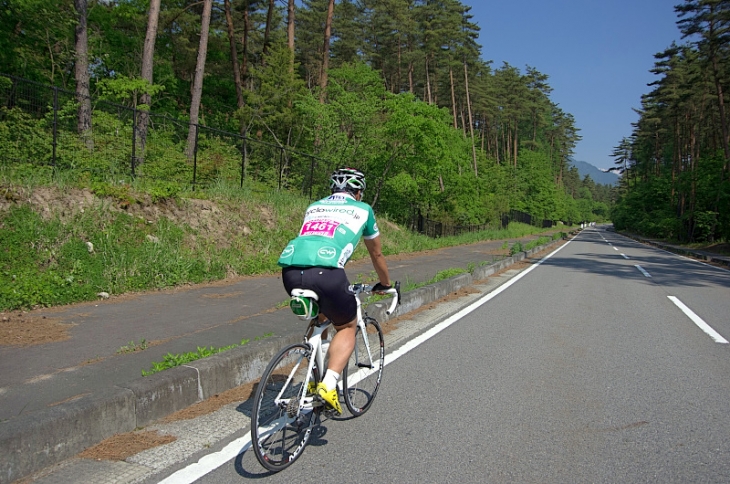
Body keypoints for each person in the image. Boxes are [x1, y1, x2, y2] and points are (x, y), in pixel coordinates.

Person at [278, 168, 392, 415]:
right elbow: (377, 253)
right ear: (358, 192)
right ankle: (328, 385)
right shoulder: (364, 210)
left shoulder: (315, 206)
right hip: (327, 274)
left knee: (320, 318)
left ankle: (313, 377)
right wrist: (385, 283)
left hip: (290, 271)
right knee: (347, 326)